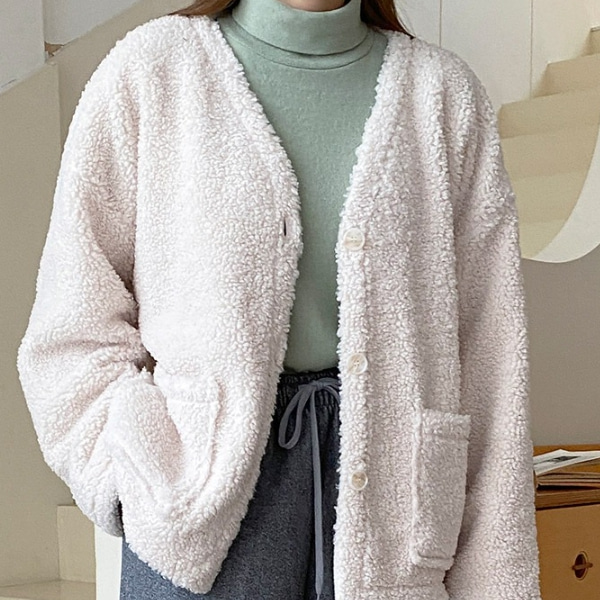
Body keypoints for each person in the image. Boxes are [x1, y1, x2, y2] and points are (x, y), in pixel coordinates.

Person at [16, 0, 543, 598]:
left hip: (395, 518)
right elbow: (72, 326)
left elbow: (492, 362)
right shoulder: (153, 70)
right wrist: (137, 478)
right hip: (203, 515)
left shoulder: (445, 96)